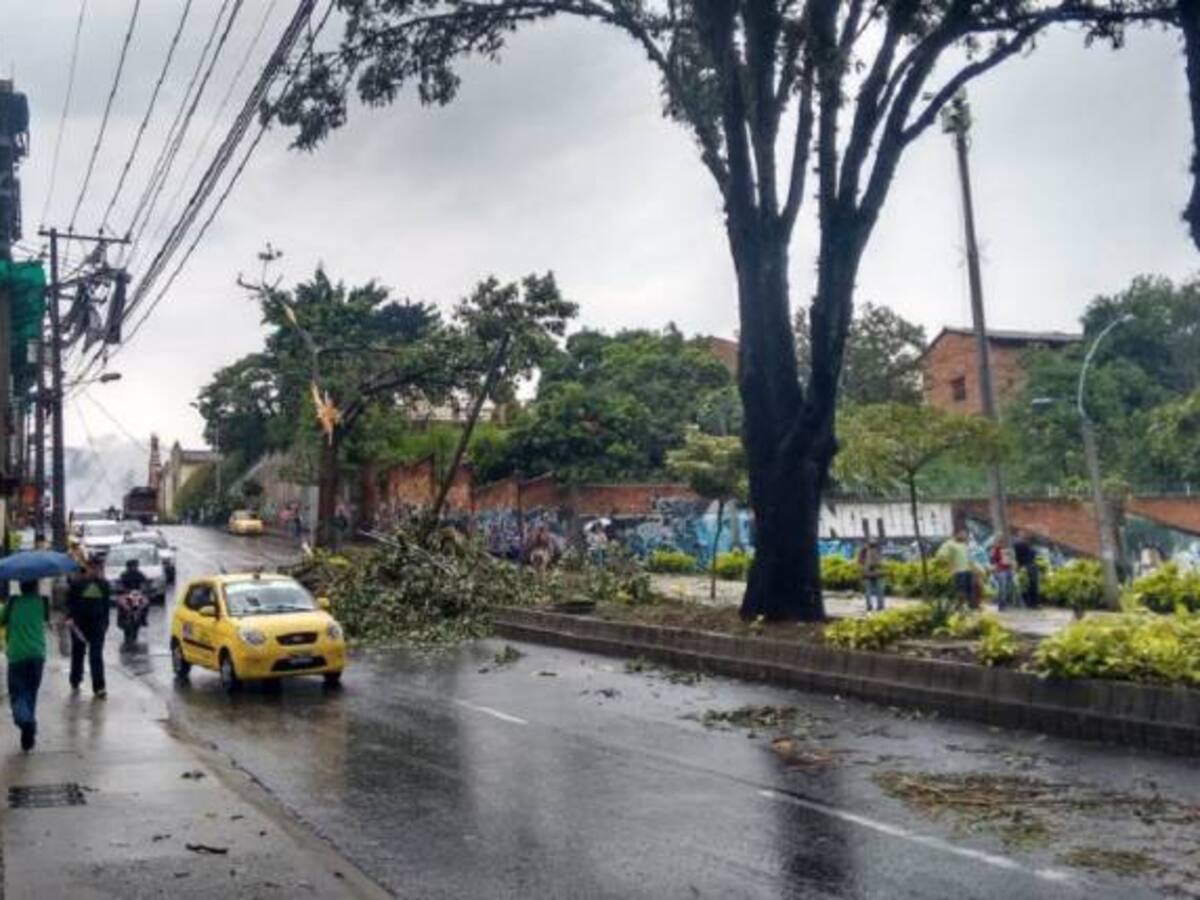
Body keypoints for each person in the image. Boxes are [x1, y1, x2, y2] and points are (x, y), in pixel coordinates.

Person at [2, 579, 49, 751]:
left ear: (20, 586)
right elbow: (45, 619)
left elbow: (2, 619)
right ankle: (27, 737)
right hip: (37, 654)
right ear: (36, 586)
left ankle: (26, 722)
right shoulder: (42, 602)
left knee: (17, 694)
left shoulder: (14, 602)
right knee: (31, 694)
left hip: (17, 654)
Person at [65, 556, 112, 698]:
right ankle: (75, 679)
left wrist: (105, 623)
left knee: (96, 656)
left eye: (98, 568)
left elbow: (106, 605)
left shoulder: (104, 585)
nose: (95, 571)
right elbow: (69, 602)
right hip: (79, 625)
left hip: (97, 624)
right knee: (78, 653)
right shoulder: (77, 584)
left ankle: (99, 687)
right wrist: (69, 618)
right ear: (88, 567)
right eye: (93, 567)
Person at [936, 528, 974, 609]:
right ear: (957, 534)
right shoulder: (949, 544)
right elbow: (941, 556)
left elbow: (969, 559)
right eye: (963, 534)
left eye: (966, 534)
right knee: (960, 590)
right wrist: (947, 565)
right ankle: (960, 606)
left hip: (967, 570)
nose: (965, 536)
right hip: (958, 571)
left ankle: (965, 606)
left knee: (968, 590)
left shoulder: (964, 545)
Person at [857, 539, 886, 612]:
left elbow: (859, 562)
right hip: (877, 573)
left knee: (868, 591)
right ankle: (880, 606)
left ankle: (870, 606)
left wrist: (862, 571)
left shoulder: (863, 551)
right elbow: (881, 562)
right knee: (879, 591)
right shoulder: (877, 550)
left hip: (867, 573)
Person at [1013, 531, 1039, 608]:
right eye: (1023, 537)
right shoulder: (1018, 545)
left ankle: (1032, 603)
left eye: (1026, 538)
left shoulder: (1028, 546)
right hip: (1025, 567)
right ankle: (1031, 603)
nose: (1025, 539)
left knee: (1031, 585)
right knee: (1027, 586)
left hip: (1029, 567)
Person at [989, 537, 1016, 611]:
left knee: (1009, 587)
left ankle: (1004, 602)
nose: (1000, 544)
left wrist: (1011, 564)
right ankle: (1001, 605)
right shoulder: (994, 550)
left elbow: (1011, 560)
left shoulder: (1006, 550)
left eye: (1002, 542)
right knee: (1002, 588)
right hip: (1000, 571)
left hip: (1008, 570)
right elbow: (992, 561)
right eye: (999, 542)